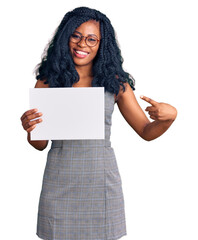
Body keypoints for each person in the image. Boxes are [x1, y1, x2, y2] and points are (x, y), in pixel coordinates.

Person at [20, 6, 177, 240]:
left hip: (100, 179)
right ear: (66, 37)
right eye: (76, 35)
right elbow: (40, 143)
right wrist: (29, 128)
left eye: (92, 39)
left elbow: (145, 131)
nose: (83, 44)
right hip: (59, 179)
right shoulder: (48, 81)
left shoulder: (115, 83)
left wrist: (169, 118)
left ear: (102, 44)